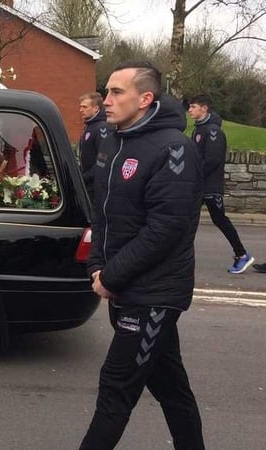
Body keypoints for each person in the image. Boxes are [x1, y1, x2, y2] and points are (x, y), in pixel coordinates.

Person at [81, 61, 205, 449]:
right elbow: (103, 212)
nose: (106, 100)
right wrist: (97, 264)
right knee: (171, 387)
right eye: (106, 91)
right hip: (124, 286)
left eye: (117, 92)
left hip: (153, 294)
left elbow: (165, 230)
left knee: (116, 387)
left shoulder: (174, 149)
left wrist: (111, 276)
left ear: (145, 98)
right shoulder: (113, 141)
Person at [188, 94, 255, 274]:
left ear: (204, 108)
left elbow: (213, 160)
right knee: (188, 220)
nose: (189, 110)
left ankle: (242, 254)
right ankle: (179, 257)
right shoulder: (198, 129)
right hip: (199, 186)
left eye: (193, 106)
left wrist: (194, 175)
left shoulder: (213, 131)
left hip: (210, 187)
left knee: (220, 220)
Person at [78, 92, 108, 201]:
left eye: (84, 107)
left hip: (95, 186)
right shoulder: (89, 126)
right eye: (80, 107)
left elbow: (104, 160)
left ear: (96, 108)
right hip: (88, 184)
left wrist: (84, 177)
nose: (81, 110)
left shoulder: (102, 128)